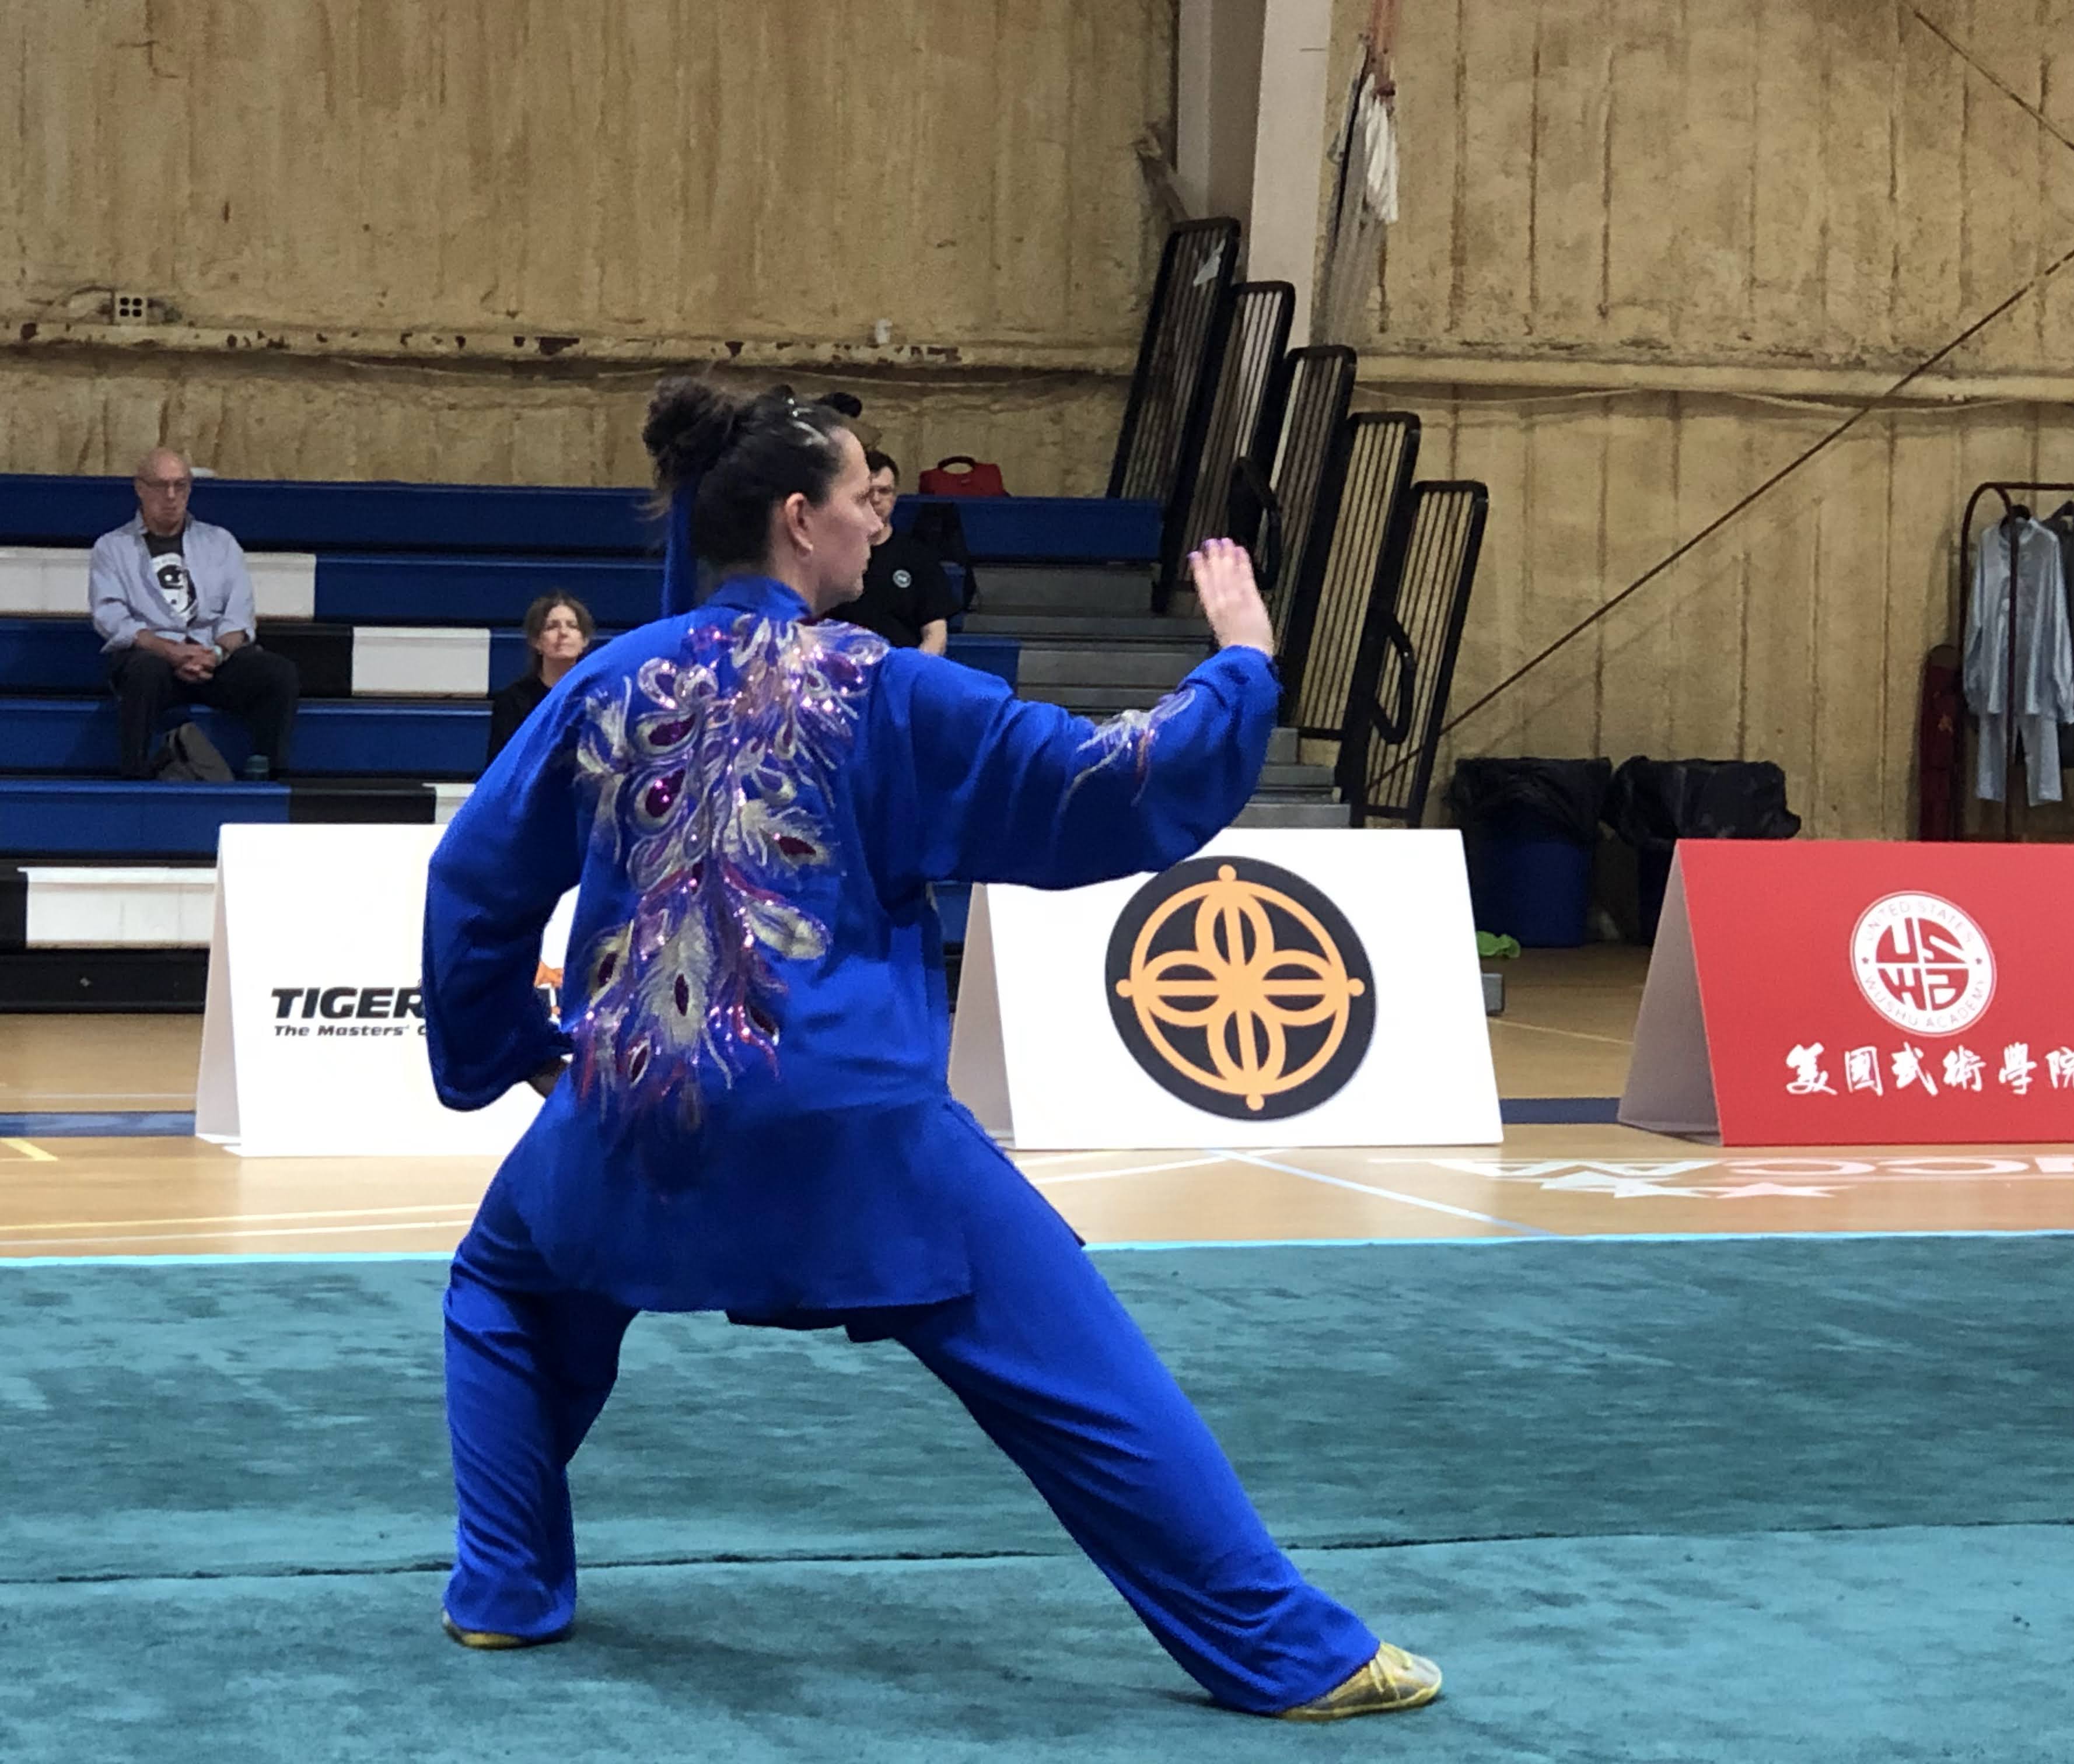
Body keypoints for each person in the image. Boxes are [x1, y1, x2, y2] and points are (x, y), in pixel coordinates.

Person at [421, 378, 1439, 1723]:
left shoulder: (604, 683)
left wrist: (513, 1048)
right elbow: (1109, 780)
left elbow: (472, 883)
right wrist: (1242, 664)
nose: (881, 527)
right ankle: (1294, 1653)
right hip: (850, 1125)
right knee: (1081, 1374)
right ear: (800, 520)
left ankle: (504, 1589)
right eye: (866, 500)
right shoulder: (887, 688)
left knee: (503, 1288)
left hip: (631, 1111)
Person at [88, 447, 300, 779]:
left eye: (181, 485)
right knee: (142, 673)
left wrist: (216, 653)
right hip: (154, 658)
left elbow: (240, 614)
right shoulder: (112, 547)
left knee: (279, 673)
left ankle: (270, 773)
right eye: (161, 486)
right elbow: (111, 617)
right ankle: (134, 776)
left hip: (213, 656)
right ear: (140, 488)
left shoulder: (220, 542)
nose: (171, 496)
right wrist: (169, 651)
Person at [835, 449, 959, 654]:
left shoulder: (919, 557)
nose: (876, 499)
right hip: (839, 668)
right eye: (868, 491)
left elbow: (936, 634)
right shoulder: (829, 555)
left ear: (894, 497)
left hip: (901, 667)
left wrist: (913, 670)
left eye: (884, 491)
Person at [486, 593, 594, 766]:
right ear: (536, 641)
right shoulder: (512, 701)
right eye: (552, 627)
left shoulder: (599, 697)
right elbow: (501, 768)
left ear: (584, 641)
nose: (563, 633)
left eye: (572, 626)